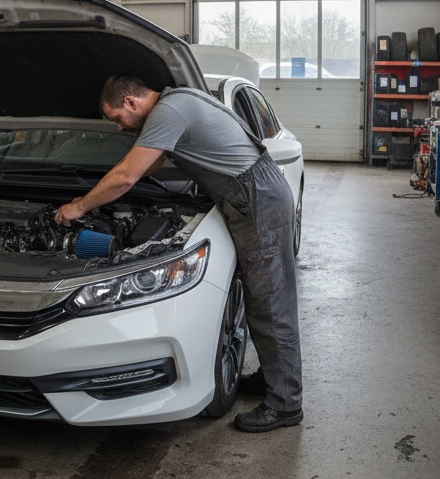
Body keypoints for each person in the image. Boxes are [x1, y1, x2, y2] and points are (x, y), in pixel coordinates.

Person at [55, 75, 303, 433]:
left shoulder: (168, 111)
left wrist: (81, 206)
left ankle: (285, 404)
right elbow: (152, 164)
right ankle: (274, 378)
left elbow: (127, 175)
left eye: (116, 118)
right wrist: (111, 190)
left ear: (131, 102)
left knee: (270, 300)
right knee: (261, 296)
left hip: (255, 196)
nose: (119, 127)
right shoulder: (176, 101)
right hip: (254, 191)